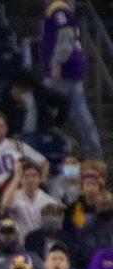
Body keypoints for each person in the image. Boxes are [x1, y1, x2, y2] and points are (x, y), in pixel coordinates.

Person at [41, 0, 101, 160]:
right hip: (69, 72)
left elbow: (66, 38)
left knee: (45, 113)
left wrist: (56, 64)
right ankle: (94, 157)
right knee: (81, 116)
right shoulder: (61, 12)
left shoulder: (59, 12)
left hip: (63, 73)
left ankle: (45, 155)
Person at [0, 112, 48, 193]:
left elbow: (44, 162)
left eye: (0, 126)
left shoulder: (17, 145)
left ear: (6, 129)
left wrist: (42, 180)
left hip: (22, 191)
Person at [3, 161, 58, 242]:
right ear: (21, 179)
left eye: (34, 175)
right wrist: (16, 178)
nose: (30, 179)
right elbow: (4, 206)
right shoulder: (14, 196)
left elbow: (52, 230)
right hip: (18, 244)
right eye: (26, 176)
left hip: (40, 244)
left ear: (39, 179)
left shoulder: (49, 201)